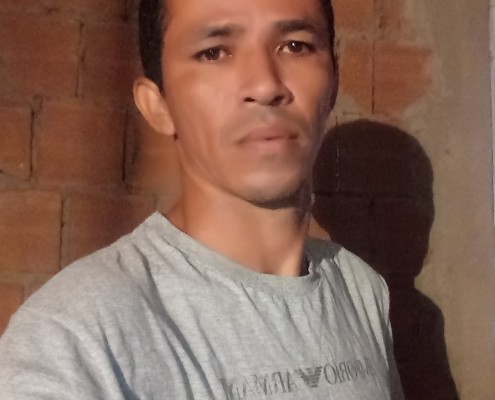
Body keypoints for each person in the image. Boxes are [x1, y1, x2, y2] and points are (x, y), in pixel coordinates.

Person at [0, 0, 404, 398]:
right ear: (158, 106)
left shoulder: (360, 290)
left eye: (295, 46)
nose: (265, 85)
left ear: (333, 82)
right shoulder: (76, 338)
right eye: (214, 53)